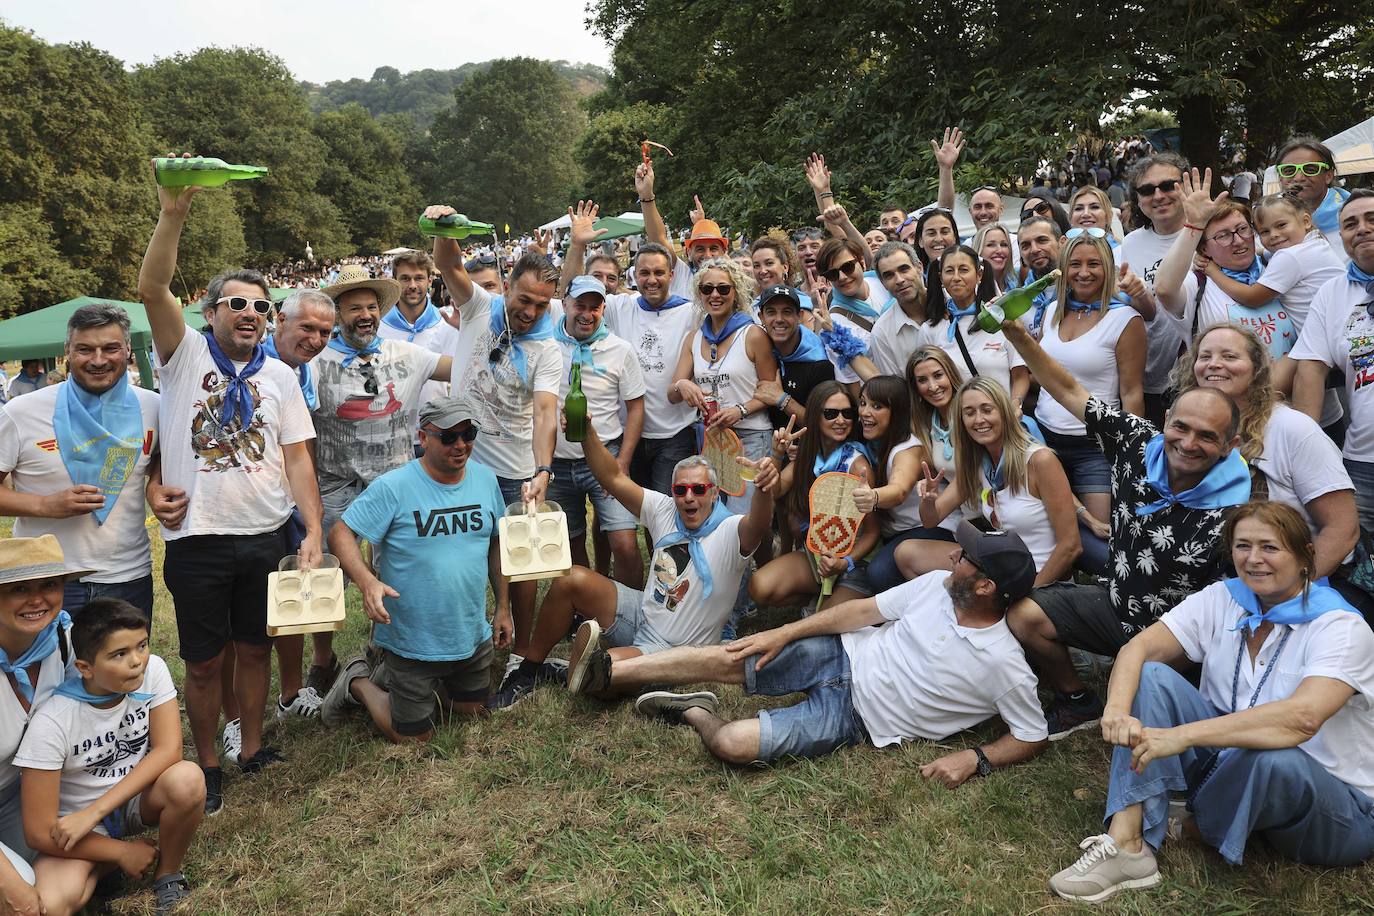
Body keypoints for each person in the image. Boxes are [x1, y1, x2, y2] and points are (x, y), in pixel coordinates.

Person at [1048, 503, 1374, 902]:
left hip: (1338, 807)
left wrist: (1180, 737)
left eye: (1269, 548)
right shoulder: (1226, 598)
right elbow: (1138, 649)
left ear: (1305, 554)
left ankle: (1193, 822)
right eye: (1243, 546)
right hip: (1231, 764)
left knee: (1271, 755)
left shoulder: (1341, 627)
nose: (1253, 559)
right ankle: (1128, 843)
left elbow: (1302, 719)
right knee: (1151, 676)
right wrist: (1116, 709)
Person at [137, 158, 324, 812]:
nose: (249, 313)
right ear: (212, 311)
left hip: (264, 532)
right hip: (199, 537)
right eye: (236, 303)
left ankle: (252, 748)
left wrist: (314, 533)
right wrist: (173, 214)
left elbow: (298, 459)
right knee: (205, 661)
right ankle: (209, 762)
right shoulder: (183, 355)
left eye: (260, 306)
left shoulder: (279, 377)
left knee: (255, 650)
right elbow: (152, 288)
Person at [595, 522, 1048, 783]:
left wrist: (976, 758)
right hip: (841, 653)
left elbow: (1032, 734)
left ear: (986, 586)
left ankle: (692, 710)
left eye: (965, 557)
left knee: (732, 743)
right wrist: (785, 633)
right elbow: (860, 613)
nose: (953, 557)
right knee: (731, 657)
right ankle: (611, 674)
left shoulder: (1004, 664)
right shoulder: (935, 586)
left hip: (855, 719)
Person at [992, 312, 1250, 738]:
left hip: (1178, 645)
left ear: (1230, 446)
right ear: (1165, 420)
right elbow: (1068, 388)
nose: (1187, 443)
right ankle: (1077, 700)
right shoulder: (1135, 441)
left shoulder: (1237, 515)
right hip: (1115, 607)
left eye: (1206, 436)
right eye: (1181, 427)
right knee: (1025, 615)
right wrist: (1018, 335)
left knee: (1147, 738)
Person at [485, 422, 778, 709]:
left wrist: (764, 487)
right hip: (641, 615)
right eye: (681, 489)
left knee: (604, 675)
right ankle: (528, 672)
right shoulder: (664, 509)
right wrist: (587, 434)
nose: (689, 497)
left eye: (699, 489)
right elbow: (612, 477)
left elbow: (759, 523)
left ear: (714, 493)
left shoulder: (730, 530)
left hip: (676, 652)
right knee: (570, 579)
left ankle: (579, 670)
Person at [322, 396, 511, 741]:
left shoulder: (485, 480)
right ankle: (358, 681)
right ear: (423, 438)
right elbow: (339, 533)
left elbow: (497, 542)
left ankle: (421, 685)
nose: (461, 445)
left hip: (469, 634)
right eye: (448, 437)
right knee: (413, 738)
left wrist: (503, 607)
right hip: (411, 639)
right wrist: (366, 581)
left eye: (468, 434)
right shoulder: (395, 487)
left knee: (471, 710)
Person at [429, 204, 560, 673]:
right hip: (456, 461)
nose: (529, 312)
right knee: (455, 556)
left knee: (519, 564)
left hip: (513, 471)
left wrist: (543, 468)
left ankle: (520, 652)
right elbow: (447, 263)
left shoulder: (549, 348)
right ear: (506, 285)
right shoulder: (478, 307)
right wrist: (443, 224)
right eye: (523, 299)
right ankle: (455, 643)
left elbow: (545, 412)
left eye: (541, 305)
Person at [17, 599, 205, 916]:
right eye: (119, 654)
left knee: (187, 778)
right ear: (84, 667)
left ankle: (168, 874)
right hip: (76, 826)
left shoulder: (153, 669)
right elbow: (37, 832)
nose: (137, 662)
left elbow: (168, 750)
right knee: (51, 903)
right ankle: (107, 864)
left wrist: (96, 811)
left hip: (131, 802)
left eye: (141, 645)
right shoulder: (52, 721)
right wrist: (121, 852)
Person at [0, 304, 174, 620]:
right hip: (47, 579)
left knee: (124, 671)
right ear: (67, 351)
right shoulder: (20, 412)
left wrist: (154, 487)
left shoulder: (154, 407)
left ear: (127, 351)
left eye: (110, 348)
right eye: (85, 349)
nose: (98, 360)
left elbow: (158, 459)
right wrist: (44, 505)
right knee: (49, 671)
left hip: (128, 576)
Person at [1172, 323, 1357, 583]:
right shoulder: (1188, 432)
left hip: (1304, 583)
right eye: (1205, 356)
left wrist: (1293, 589)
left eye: (1229, 356)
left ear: (1257, 369)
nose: (1214, 364)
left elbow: (1343, 528)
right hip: (1218, 581)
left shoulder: (1292, 429)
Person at [899, 377, 1080, 581]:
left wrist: (1029, 597)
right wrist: (928, 501)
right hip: (999, 569)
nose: (978, 420)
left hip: (1040, 578)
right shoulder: (978, 462)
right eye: (969, 413)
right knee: (907, 553)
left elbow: (1071, 546)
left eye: (987, 410)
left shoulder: (1040, 460)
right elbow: (931, 520)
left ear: (1004, 412)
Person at [0, 537, 92, 916]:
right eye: (20, 588)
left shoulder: (64, 641)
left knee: (50, 894)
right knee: (20, 897)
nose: (38, 600)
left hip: (20, 794)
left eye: (49, 585)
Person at [1034, 230, 1146, 530]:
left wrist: (1130, 454)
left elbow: (1132, 393)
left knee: (1101, 532)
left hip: (1093, 445)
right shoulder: (1051, 311)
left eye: (1094, 264)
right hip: (1043, 438)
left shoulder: (1124, 320)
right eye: (1075, 264)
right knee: (1048, 526)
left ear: (1107, 267)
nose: (1083, 273)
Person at [547, 275, 646, 585]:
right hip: (557, 463)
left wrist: (623, 463)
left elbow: (636, 407)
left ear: (604, 308)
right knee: (572, 542)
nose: (587, 314)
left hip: (606, 456)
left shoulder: (620, 349)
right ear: (564, 304)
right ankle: (585, 609)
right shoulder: (545, 345)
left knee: (625, 543)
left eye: (595, 306)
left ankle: (634, 612)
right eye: (580, 305)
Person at [749, 384, 878, 610]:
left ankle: (832, 600)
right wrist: (778, 455)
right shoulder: (808, 456)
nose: (841, 420)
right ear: (815, 416)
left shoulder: (857, 466)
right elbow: (777, 490)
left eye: (847, 413)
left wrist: (843, 563)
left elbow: (873, 532)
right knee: (759, 587)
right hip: (816, 552)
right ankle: (813, 597)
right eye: (831, 413)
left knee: (823, 628)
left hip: (855, 560)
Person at [1291, 190, 1374, 531]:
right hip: (1362, 463)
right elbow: (1310, 367)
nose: (1362, 229)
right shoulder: (1333, 292)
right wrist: (1302, 449)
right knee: (1353, 567)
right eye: (1350, 224)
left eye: (1372, 219)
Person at [669, 257, 778, 513]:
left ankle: (763, 555)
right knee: (715, 514)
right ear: (699, 293)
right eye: (707, 289)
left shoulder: (753, 334)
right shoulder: (694, 338)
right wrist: (682, 384)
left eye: (723, 289)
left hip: (751, 436)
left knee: (744, 517)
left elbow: (772, 391)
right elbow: (671, 393)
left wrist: (740, 410)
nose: (715, 295)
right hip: (713, 441)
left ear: (735, 292)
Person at [1118, 153, 1184, 427]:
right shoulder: (1132, 242)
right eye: (1146, 190)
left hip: (1196, 373)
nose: (1158, 195)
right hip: (1147, 372)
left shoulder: (1210, 234)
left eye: (1168, 186)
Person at [377, 248, 461, 441]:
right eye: (405, 278)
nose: (412, 285)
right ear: (395, 282)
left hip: (435, 435)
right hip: (389, 435)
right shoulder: (378, 326)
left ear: (430, 280)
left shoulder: (446, 323)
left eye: (419, 278)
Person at [752, 285, 833, 428]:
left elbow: (823, 423)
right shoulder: (758, 352)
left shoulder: (818, 361)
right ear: (761, 317)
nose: (779, 319)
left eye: (787, 312)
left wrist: (782, 400)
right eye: (771, 312)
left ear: (800, 316)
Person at [1276, 136, 1349, 259]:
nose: (1299, 177)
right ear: (1280, 178)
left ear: (1328, 176)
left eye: (1310, 169)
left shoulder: (1356, 215)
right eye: (1289, 171)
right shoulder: (1269, 220)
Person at [1015, 216, 1064, 339]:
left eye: (1042, 240)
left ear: (1062, 243)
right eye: (1025, 246)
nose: (1034, 250)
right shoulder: (1017, 302)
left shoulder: (1082, 292)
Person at [972, 224, 1017, 292]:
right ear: (979, 250)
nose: (999, 250)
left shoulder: (1019, 280)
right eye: (991, 245)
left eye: (1004, 245)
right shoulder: (970, 288)